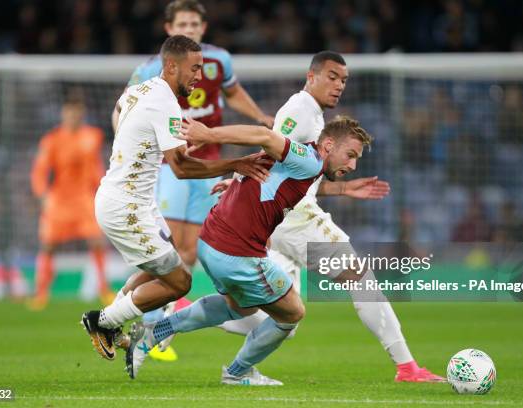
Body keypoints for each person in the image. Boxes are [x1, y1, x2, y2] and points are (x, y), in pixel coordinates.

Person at [212, 51, 445, 382]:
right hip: (295, 220)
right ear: (312, 77)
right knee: (361, 280)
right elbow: (272, 150)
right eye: (332, 77)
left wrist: (343, 189)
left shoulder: (315, 117)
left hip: (283, 219)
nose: (339, 86)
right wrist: (239, 183)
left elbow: (293, 172)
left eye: (344, 80)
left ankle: (177, 316)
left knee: (282, 317)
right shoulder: (300, 110)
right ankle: (407, 366)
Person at [124, 114, 373, 385]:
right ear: (327, 146)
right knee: (292, 313)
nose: (353, 164)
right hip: (236, 252)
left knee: (239, 307)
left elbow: (269, 175)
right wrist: (209, 134)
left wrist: (236, 183)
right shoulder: (308, 159)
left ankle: (154, 332)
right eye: (350, 155)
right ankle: (237, 372)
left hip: (212, 240)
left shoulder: (303, 165)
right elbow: (264, 135)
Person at [80, 35, 269, 362]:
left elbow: (156, 145)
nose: (199, 76)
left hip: (134, 202)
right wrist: (235, 163)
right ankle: (104, 321)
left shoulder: (139, 90)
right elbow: (180, 168)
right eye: (194, 69)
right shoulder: (164, 100)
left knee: (164, 271)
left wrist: (181, 150)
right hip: (126, 207)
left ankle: (109, 320)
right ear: (171, 66)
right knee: (179, 282)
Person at [116, 0, 273, 271]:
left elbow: (233, 93)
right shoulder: (152, 69)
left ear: (203, 28)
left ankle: (170, 305)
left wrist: (260, 116)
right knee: (171, 242)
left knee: (192, 247)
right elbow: (121, 109)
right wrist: (126, 143)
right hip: (171, 163)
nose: (189, 29)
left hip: (209, 163)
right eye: (182, 25)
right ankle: (146, 305)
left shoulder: (218, 60)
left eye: (193, 24)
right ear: (169, 28)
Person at [29, 93, 112, 310]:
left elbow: (96, 166)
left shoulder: (93, 136)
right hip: (59, 200)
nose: (73, 116)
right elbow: (39, 171)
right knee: (48, 246)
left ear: (82, 114)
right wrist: (42, 194)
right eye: (69, 111)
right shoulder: (51, 140)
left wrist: (102, 190)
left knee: (97, 241)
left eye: (77, 112)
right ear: (63, 113)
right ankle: (41, 293)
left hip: (84, 198)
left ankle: (104, 289)